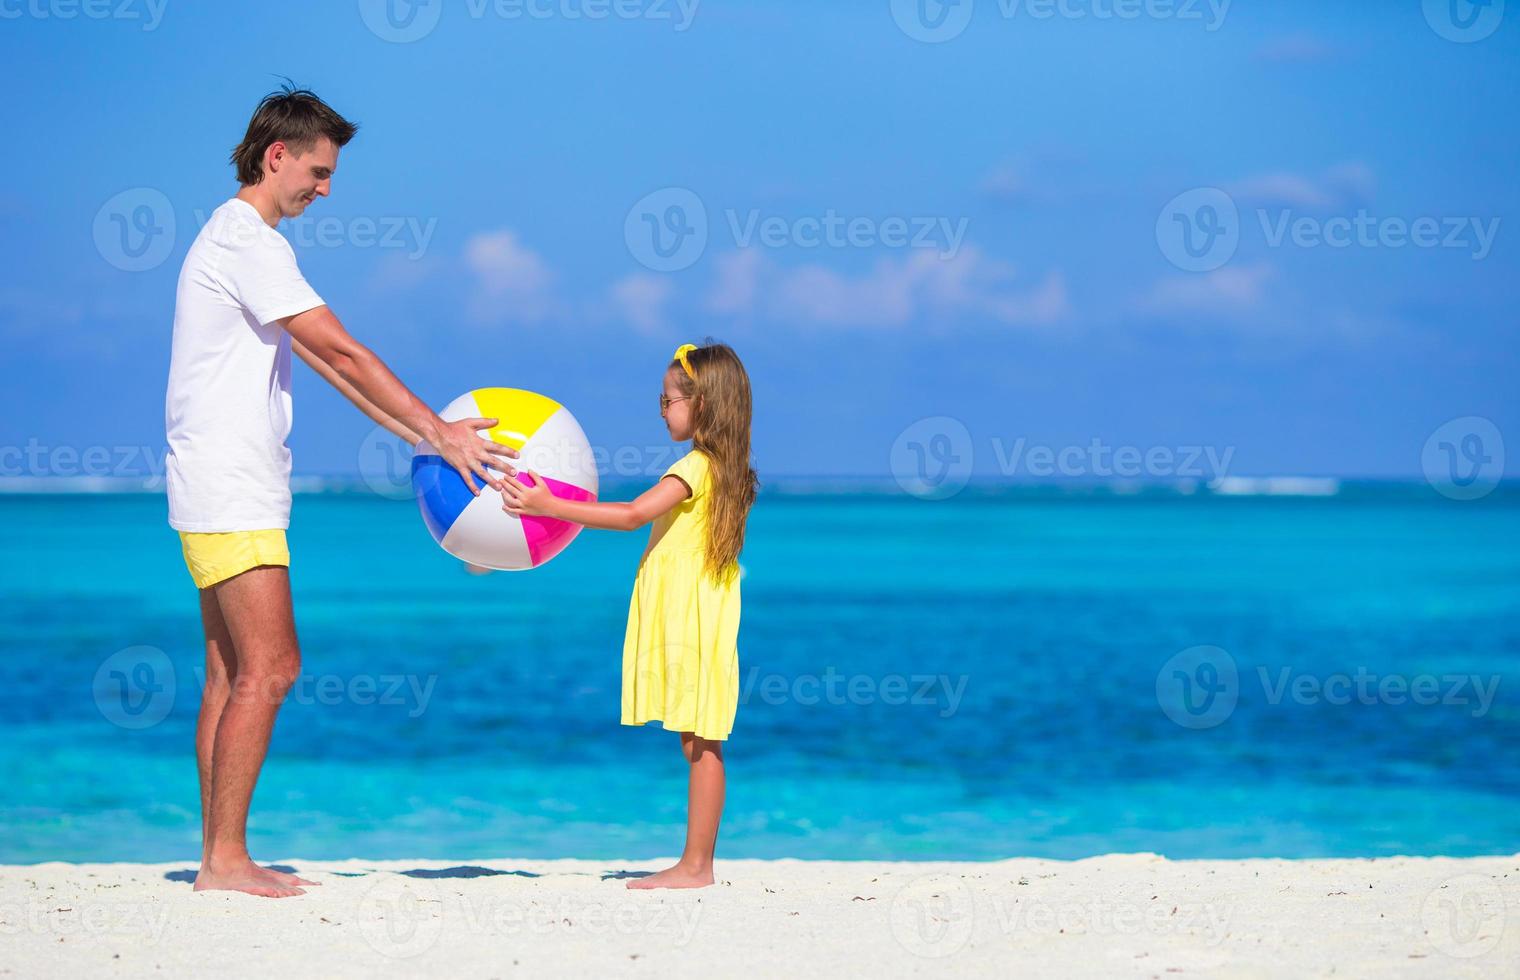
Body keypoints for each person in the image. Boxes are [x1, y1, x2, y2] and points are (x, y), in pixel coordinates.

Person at [165, 85, 517, 898]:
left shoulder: (230, 241)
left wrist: (421, 440)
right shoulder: (250, 243)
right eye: (318, 171)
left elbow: (324, 365)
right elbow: (347, 351)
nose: (326, 189)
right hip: (232, 487)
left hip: (211, 484)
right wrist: (443, 430)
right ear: (274, 155)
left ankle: (220, 851)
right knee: (273, 667)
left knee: (228, 675)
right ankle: (223, 861)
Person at [502, 342, 758, 889]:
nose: (662, 410)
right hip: (702, 606)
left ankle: (696, 867)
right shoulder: (728, 470)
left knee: (701, 741)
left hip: (690, 610)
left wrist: (551, 507)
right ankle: (696, 864)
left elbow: (631, 515)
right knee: (698, 739)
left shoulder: (694, 466)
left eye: (668, 401)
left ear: (704, 405)